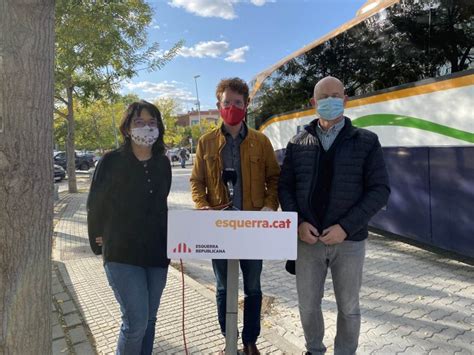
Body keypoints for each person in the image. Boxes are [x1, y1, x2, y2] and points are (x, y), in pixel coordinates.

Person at [278, 76, 390, 355]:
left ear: (345, 99)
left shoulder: (366, 141)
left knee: (349, 307)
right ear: (313, 103)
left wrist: (346, 227)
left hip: (349, 242)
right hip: (307, 241)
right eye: (323, 97)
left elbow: (379, 190)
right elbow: (285, 187)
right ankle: (314, 349)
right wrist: (298, 224)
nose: (330, 101)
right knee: (307, 305)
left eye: (335, 95)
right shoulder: (297, 143)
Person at [190, 77, 280, 355]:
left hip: (252, 227)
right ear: (219, 105)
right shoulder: (205, 143)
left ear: (246, 105)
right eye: (227, 102)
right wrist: (202, 206)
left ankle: (250, 341)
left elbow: (274, 179)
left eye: (237, 103)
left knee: (253, 286)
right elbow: (196, 182)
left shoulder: (260, 142)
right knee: (222, 288)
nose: (232, 107)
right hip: (220, 228)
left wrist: (269, 206)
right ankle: (228, 338)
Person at [87, 100, 171, 355]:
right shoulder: (111, 161)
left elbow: (160, 206)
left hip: (157, 253)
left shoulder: (163, 163)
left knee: (150, 320)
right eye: (139, 122)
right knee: (135, 323)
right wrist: (97, 237)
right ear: (127, 128)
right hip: (122, 253)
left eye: (152, 122)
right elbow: (95, 203)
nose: (146, 127)